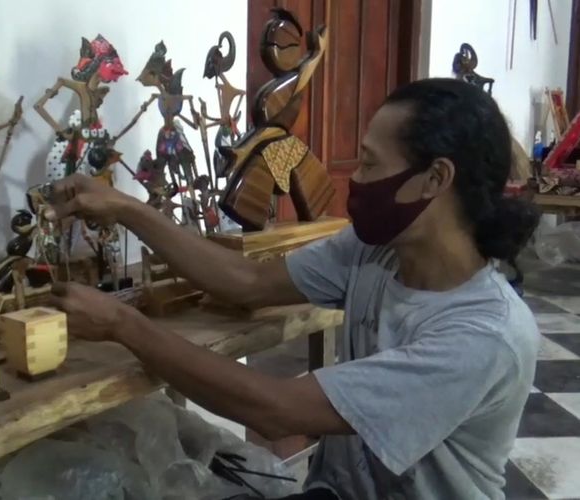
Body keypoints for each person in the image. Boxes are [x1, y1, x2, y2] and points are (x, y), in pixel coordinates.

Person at [45, 78, 541, 500]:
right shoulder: (377, 250)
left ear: (435, 179)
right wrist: (127, 209)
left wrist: (121, 323)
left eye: (369, 164)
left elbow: (275, 409)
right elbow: (246, 282)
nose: (356, 179)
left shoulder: (483, 336)